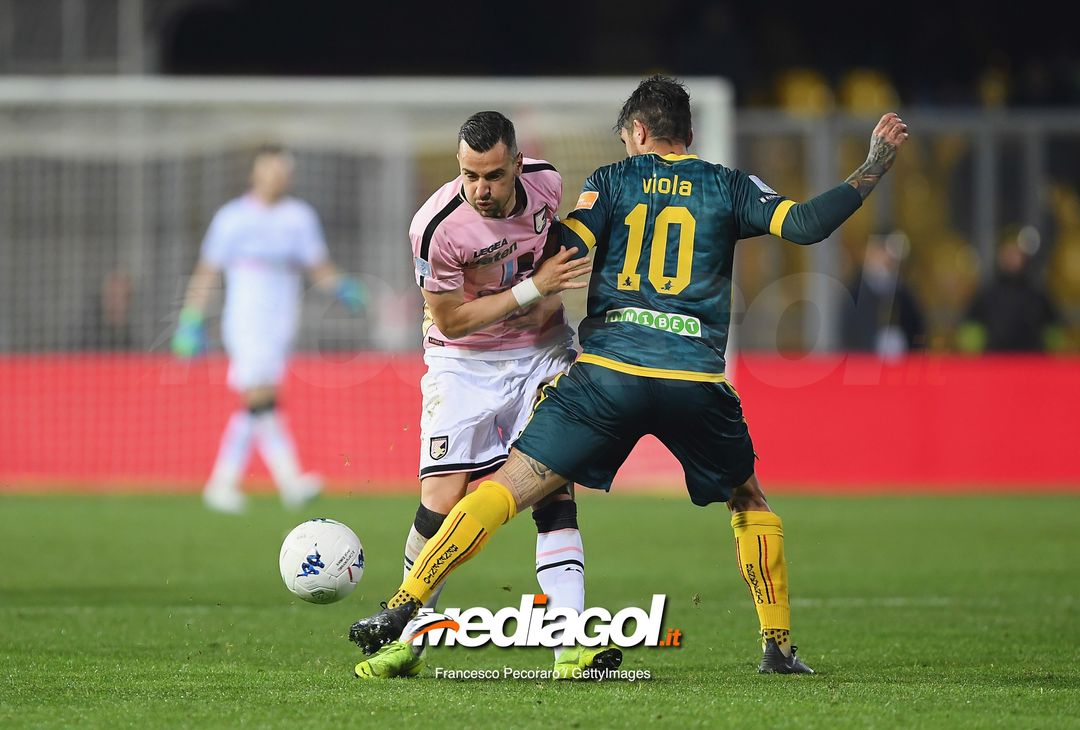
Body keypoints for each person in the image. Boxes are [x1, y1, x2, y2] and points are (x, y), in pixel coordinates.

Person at [348, 75, 909, 674]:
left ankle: (405, 603)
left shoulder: (610, 180)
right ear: (687, 132)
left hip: (607, 377)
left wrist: (538, 282)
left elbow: (566, 245)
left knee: (511, 487)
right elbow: (806, 225)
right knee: (746, 497)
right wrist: (872, 166)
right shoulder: (729, 185)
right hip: (693, 381)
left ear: (638, 131)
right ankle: (777, 646)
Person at [353, 111, 609, 681]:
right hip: (462, 363)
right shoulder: (435, 227)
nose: (481, 189)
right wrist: (533, 288)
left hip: (540, 353)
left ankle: (570, 642)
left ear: (517, 164)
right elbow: (452, 320)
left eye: (493, 175)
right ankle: (409, 638)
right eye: (469, 175)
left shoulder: (547, 182)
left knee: (553, 486)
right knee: (440, 501)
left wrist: (549, 295)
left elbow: (556, 248)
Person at [171, 143, 365, 514]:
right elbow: (207, 271)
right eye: (269, 170)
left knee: (259, 401)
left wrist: (343, 287)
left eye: (282, 171)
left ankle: (225, 483)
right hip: (246, 317)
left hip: (281, 321)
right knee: (260, 396)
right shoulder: (232, 217)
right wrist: (190, 319)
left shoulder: (299, 217)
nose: (275, 177)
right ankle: (287, 481)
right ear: (255, 173)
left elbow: (318, 266)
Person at [957, 227, 1063, 352]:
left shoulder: (1037, 297)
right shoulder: (986, 297)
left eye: (1016, 253)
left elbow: (1055, 336)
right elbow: (969, 335)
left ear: (1024, 257)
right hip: (995, 361)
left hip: (1031, 361)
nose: (1012, 258)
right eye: (1008, 252)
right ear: (1000, 256)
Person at [841, 233, 926, 357]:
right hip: (866, 361)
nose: (886, 259)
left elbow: (917, 328)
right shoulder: (855, 292)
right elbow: (849, 332)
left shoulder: (904, 293)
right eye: (880, 251)